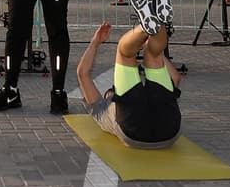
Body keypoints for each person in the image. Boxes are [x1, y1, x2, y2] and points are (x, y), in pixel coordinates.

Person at [74, 20, 182, 149]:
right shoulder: (102, 108)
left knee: (150, 55)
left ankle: (154, 22)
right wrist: (95, 42)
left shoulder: (101, 109)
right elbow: (175, 78)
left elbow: (82, 73)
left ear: (107, 95)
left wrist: (95, 42)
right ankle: (151, 25)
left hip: (167, 132)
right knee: (138, 55)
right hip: (141, 128)